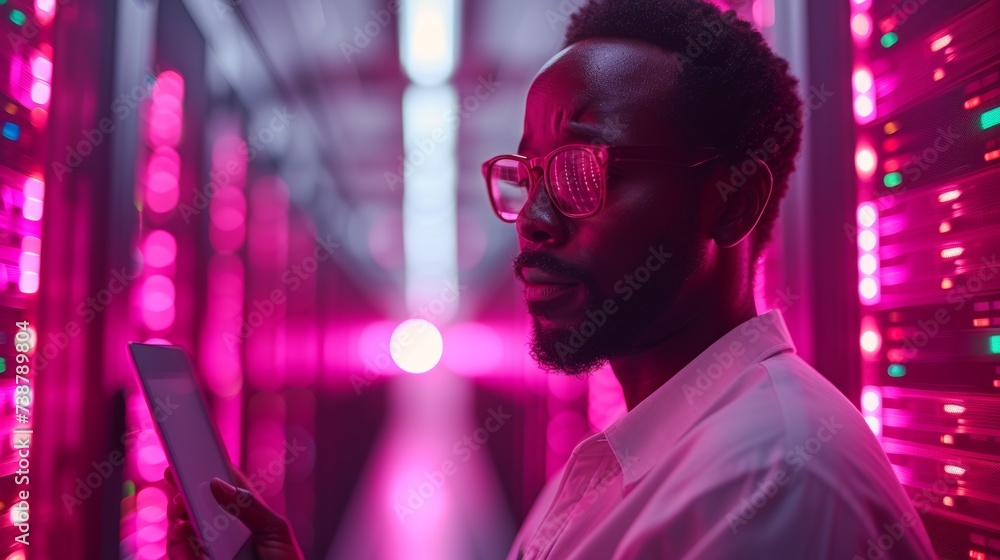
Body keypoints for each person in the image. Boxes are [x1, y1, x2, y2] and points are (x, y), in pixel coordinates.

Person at [167, 0, 939, 558]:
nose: (533, 218)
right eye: (526, 173)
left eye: (581, 170)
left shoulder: (770, 486)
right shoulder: (625, 458)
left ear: (731, 202)